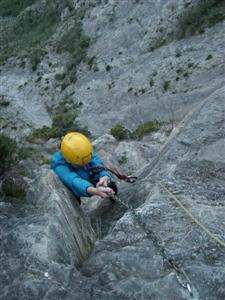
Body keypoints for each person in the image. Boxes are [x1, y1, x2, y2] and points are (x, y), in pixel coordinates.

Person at [51, 132, 117, 204]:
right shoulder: (58, 163)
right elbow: (72, 180)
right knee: (73, 198)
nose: (84, 165)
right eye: (80, 165)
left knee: (109, 183)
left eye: (86, 162)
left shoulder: (84, 150)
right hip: (73, 187)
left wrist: (104, 176)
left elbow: (96, 162)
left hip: (89, 175)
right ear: (68, 160)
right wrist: (94, 191)